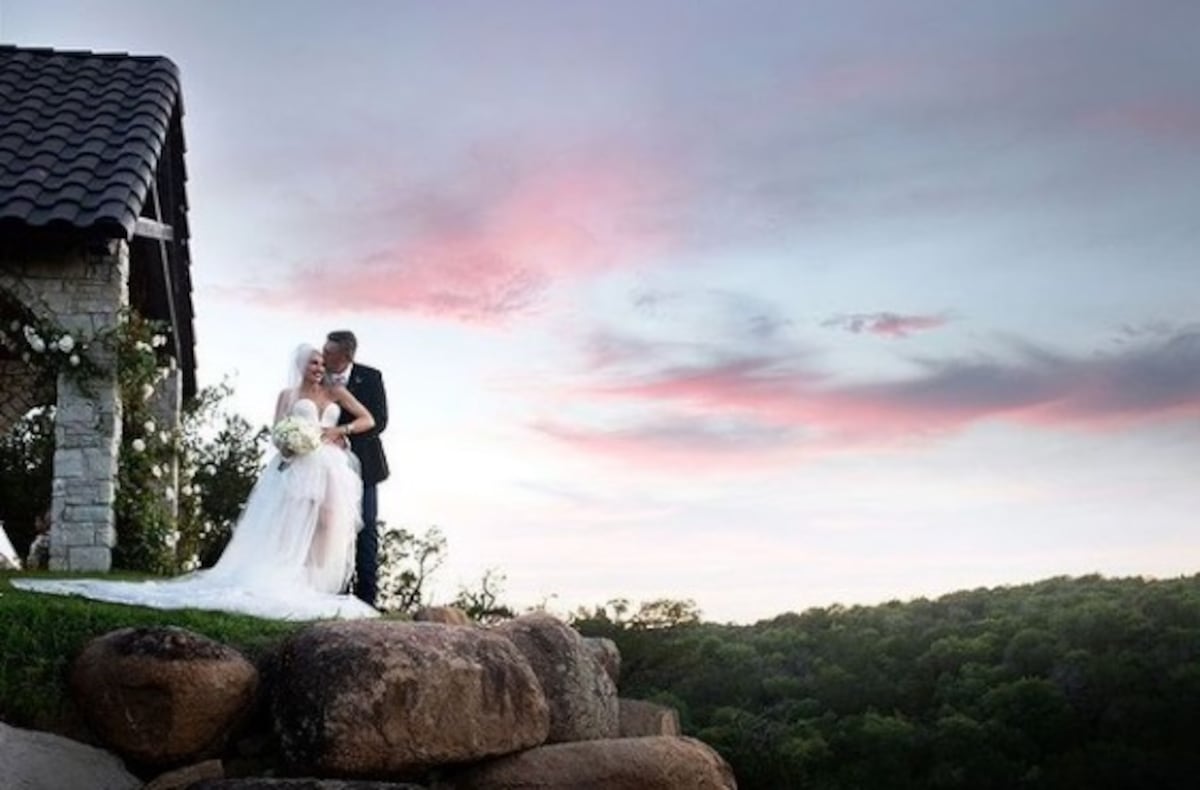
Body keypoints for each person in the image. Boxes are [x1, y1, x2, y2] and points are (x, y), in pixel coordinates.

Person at [11, 344, 380, 621]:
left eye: (320, 362)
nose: (317, 367)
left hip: (329, 464)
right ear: (302, 366)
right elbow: (276, 431)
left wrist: (338, 430)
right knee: (290, 524)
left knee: (328, 526)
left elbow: (368, 419)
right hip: (296, 464)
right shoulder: (288, 396)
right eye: (312, 362)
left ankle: (314, 585)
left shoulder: (335, 393)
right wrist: (288, 443)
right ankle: (287, 579)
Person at [323, 330, 389, 608]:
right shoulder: (317, 377)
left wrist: (345, 437)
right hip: (325, 466)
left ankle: (367, 598)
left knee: (366, 526)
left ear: (346, 356)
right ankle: (332, 590)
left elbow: (380, 421)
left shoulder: (371, 377)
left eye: (329, 352)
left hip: (364, 465)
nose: (323, 355)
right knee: (328, 526)